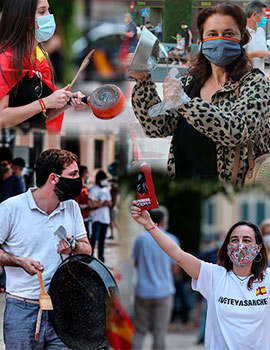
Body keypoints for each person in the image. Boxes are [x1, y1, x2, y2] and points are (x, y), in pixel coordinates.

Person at [129, 2, 270, 185]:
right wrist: (143, 80)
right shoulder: (190, 83)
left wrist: (186, 104)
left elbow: (236, 131)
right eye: (212, 34)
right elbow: (157, 127)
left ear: (241, 38)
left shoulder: (255, 84)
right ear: (202, 39)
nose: (220, 40)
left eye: (229, 34)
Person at [131, 202, 270, 349]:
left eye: (246, 240)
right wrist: (149, 225)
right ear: (228, 246)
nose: (240, 245)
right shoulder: (214, 275)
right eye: (235, 240)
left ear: (258, 248)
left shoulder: (267, 279)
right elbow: (177, 255)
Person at [0, 148, 92, 349]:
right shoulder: (10, 209)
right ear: (53, 178)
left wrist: (73, 247)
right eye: (73, 175)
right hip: (23, 310)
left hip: (64, 308)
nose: (79, 180)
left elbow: (88, 250)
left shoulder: (71, 207)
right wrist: (19, 261)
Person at [0, 0, 87, 131]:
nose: (49, 16)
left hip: (34, 145)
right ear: (26, 19)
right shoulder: (6, 60)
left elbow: (39, 117)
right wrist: (45, 102)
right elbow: (2, 118)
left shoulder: (39, 59)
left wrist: (66, 103)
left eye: (48, 10)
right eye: (42, 11)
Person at [131, 206, 179, 350]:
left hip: (142, 291)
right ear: (164, 221)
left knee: (139, 331)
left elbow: (136, 263)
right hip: (164, 292)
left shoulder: (140, 239)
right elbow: (175, 268)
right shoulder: (172, 239)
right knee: (159, 332)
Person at [88, 170, 112, 262]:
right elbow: (91, 205)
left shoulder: (106, 189)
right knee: (94, 240)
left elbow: (110, 202)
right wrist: (101, 204)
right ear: (98, 180)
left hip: (105, 218)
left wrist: (107, 203)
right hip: (96, 219)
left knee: (102, 241)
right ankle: (90, 259)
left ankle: (101, 260)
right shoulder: (93, 190)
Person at [245, 0, 270, 73]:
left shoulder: (261, 31)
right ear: (255, 14)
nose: (265, 18)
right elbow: (236, 56)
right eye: (264, 15)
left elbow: (263, 53)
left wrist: (266, 55)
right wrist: (256, 54)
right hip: (245, 76)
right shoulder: (242, 32)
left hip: (259, 76)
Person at [75, 165, 91, 237]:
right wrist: (88, 206)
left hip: (86, 217)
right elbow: (76, 204)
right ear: (84, 174)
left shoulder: (85, 187)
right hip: (80, 218)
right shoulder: (78, 187)